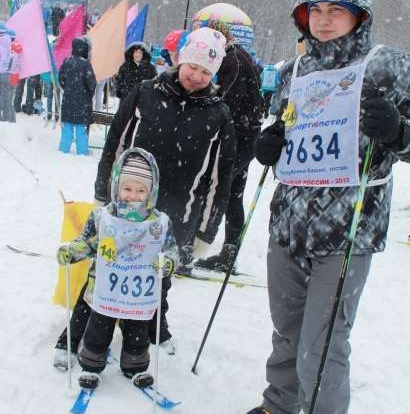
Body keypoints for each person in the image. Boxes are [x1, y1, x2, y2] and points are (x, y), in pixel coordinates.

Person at [235, 0, 410, 414]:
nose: (323, 21)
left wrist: (396, 131)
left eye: (335, 11)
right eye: (315, 11)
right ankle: (281, 400)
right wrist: (268, 143)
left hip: (348, 228)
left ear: (358, 16)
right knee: (288, 327)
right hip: (289, 221)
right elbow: (283, 127)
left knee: (323, 340)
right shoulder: (295, 70)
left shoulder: (389, 66)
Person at [53, 26, 235, 365]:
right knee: (104, 270)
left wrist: (205, 232)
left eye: (206, 71)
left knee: (159, 277)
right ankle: (77, 335)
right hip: (126, 205)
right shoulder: (145, 93)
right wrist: (102, 195)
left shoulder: (218, 114)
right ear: (180, 60)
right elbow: (115, 144)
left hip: (178, 215)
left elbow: (219, 178)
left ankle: (150, 330)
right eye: (192, 66)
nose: (196, 76)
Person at [55, 148, 179, 389]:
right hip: (105, 288)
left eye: (141, 190)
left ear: (151, 191)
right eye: (128, 188)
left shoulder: (158, 222)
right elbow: (88, 243)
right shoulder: (103, 217)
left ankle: (135, 366)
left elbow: (171, 250)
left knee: (138, 330)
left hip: (138, 294)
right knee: (99, 326)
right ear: (117, 186)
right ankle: (91, 365)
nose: (133, 196)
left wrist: (168, 262)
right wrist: (72, 251)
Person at [195, 20, 265, 273]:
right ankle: (228, 252)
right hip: (248, 134)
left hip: (241, 135)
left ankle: (191, 247)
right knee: (233, 195)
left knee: (213, 188)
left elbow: (228, 100)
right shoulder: (240, 55)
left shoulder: (231, 58)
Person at [58, 37, 96, 155]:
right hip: (82, 102)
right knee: (81, 129)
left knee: (67, 127)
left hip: (68, 100)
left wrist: (69, 89)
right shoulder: (86, 64)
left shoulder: (67, 61)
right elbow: (92, 83)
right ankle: (82, 151)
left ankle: (63, 149)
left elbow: (61, 79)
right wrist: (88, 94)